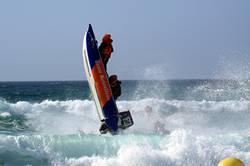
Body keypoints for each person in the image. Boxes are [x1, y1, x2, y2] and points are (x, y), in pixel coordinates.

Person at [99, 33, 121, 100]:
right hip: (104, 59)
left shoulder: (105, 44)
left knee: (104, 68)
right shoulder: (108, 44)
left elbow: (99, 50)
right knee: (104, 68)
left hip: (103, 59)